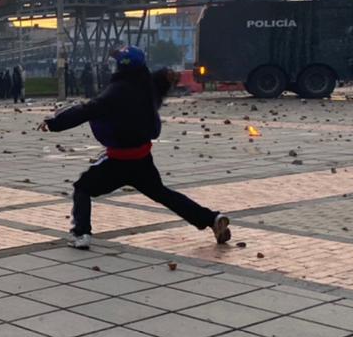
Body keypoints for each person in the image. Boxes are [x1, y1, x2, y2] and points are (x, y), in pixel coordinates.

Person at [40, 46, 231, 251]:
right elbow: (159, 81)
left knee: (83, 187)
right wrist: (168, 77)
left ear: (121, 66)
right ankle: (211, 218)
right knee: (164, 194)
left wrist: (55, 123)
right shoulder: (146, 85)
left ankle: (81, 234)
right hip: (141, 157)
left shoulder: (116, 91)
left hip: (118, 160)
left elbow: (87, 110)